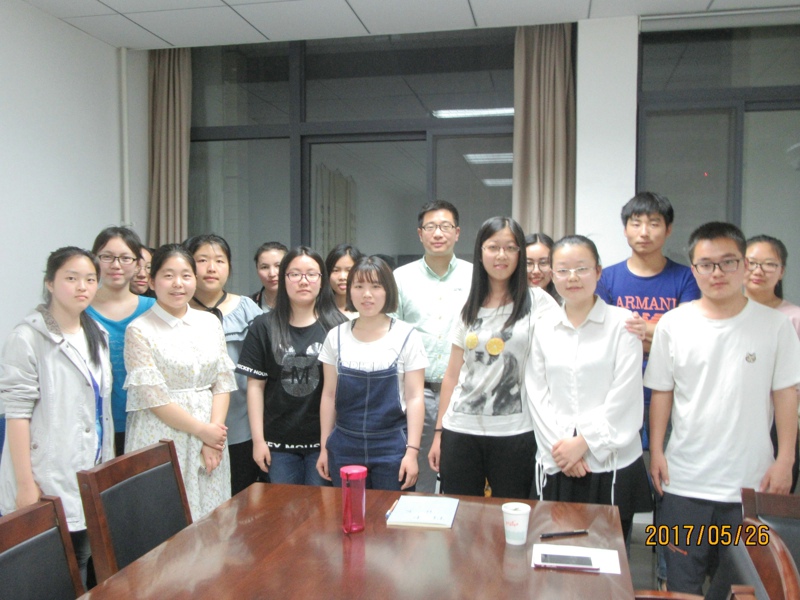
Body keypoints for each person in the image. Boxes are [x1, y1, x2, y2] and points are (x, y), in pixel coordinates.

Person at [644, 222, 800, 597]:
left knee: (745, 587)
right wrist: (657, 451)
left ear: (744, 265)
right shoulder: (673, 323)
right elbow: (662, 392)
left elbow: (786, 394)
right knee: (681, 583)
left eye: (728, 262)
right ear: (693, 269)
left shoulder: (776, 326)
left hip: (751, 485)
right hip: (684, 482)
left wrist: (785, 460)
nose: (717, 272)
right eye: (706, 264)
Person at [596, 192, 700, 588]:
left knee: (668, 486)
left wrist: (647, 333)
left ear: (668, 230)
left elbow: (687, 336)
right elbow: (607, 338)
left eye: (654, 223)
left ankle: (667, 575)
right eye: (636, 223)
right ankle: (613, 572)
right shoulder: (608, 278)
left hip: (670, 398)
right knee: (617, 485)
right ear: (625, 229)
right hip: (618, 397)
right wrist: (657, 334)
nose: (644, 231)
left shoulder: (685, 278)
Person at [0, 247, 114, 587]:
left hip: (87, 466)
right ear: (49, 283)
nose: (82, 287)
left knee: (82, 557)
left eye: (90, 279)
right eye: (71, 278)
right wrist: (26, 484)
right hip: (45, 472)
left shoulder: (97, 334)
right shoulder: (27, 337)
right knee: (50, 570)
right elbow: (16, 415)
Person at [526, 235, 651, 541]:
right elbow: (537, 393)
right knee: (553, 548)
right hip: (557, 460)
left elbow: (625, 396)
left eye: (581, 268)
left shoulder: (623, 324)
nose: (572, 277)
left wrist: (584, 443)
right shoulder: (542, 326)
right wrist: (562, 450)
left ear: (598, 271)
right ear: (552, 274)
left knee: (609, 553)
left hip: (610, 460)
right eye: (563, 270)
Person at [428, 217, 558, 499]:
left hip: (515, 432)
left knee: (512, 515)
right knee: (460, 515)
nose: (501, 255)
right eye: (493, 247)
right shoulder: (468, 306)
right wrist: (439, 433)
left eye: (510, 248)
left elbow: (562, 355)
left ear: (520, 254)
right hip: (460, 429)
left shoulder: (538, 302)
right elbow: (452, 375)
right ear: (480, 252)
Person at [124, 244, 236, 520]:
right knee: (165, 518)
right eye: (168, 275)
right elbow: (154, 398)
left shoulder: (210, 323)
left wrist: (213, 438)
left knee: (212, 518)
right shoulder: (139, 329)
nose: (178, 283)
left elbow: (222, 382)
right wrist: (202, 431)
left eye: (186, 275)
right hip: (162, 434)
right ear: (152, 281)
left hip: (210, 435)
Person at [237, 247, 346, 485]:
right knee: (285, 506)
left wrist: (329, 444)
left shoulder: (339, 327)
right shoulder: (263, 326)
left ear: (322, 280)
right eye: (295, 274)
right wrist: (258, 441)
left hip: (325, 443)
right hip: (278, 445)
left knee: (322, 505)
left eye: (311, 274)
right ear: (284, 278)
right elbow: (255, 387)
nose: (303, 281)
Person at [317, 256, 427, 490]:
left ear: (388, 290)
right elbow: (328, 395)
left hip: (392, 445)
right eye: (359, 286)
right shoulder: (335, 336)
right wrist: (325, 447)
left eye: (376, 286)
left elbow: (415, 397)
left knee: (392, 511)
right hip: (344, 444)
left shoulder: (407, 336)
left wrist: (412, 452)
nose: (367, 294)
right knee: (348, 510)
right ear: (350, 291)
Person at [394, 200, 473, 493]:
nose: (438, 233)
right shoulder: (400, 278)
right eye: (430, 227)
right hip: (418, 392)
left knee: (463, 476)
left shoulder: (476, 277)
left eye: (445, 226)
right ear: (420, 234)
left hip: (464, 392)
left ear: (457, 232)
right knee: (419, 477)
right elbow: (392, 336)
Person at [185, 234, 263, 497]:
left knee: (241, 497)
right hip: (190, 421)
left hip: (241, 421)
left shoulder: (247, 309)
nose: (211, 268)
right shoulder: (178, 309)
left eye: (219, 261)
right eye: (202, 260)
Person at [87, 227, 155, 456]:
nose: (116, 265)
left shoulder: (153, 309)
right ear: (95, 260)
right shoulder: (80, 310)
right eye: (107, 257)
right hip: (93, 425)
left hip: (146, 421)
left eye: (125, 258)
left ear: (137, 264)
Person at [744, 234, 800, 492]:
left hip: (780, 422)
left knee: (770, 501)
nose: (758, 271)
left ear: (782, 271)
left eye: (769, 264)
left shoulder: (793, 318)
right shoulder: (723, 315)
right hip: (735, 419)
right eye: (751, 263)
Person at [325, 243, 364, 320]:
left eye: (349, 270)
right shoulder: (318, 313)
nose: (342, 277)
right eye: (336, 270)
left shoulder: (369, 312)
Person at [251, 242, 288, 312]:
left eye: (278, 266)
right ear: (257, 270)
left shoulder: (302, 303)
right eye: (264, 267)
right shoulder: (248, 305)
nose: (272, 274)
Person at [524, 232, 559, 302]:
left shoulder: (564, 303)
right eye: (529, 263)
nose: (536, 271)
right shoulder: (508, 302)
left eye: (543, 263)